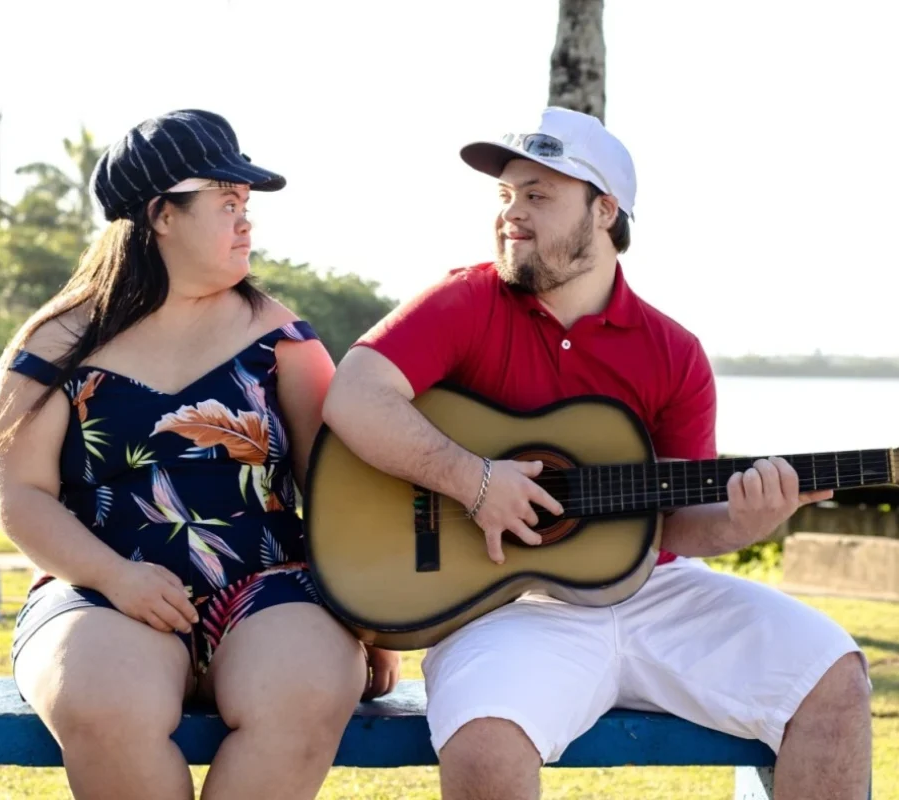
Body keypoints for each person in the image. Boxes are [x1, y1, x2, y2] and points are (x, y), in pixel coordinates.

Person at [321, 106, 872, 800]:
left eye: (539, 195)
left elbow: (673, 519)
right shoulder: (465, 301)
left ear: (605, 210)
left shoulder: (673, 352)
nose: (511, 214)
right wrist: (475, 480)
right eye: (506, 195)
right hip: (506, 604)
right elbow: (355, 395)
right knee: (487, 741)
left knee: (833, 676)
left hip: (655, 592)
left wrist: (745, 524)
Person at [0, 109, 399, 800]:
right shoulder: (58, 342)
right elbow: (19, 493)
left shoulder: (286, 341)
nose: (246, 221)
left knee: (304, 695)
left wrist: (371, 617)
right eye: (226, 203)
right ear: (161, 214)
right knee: (103, 704)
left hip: (270, 589)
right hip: (100, 588)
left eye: (246, 205)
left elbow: (335, 493)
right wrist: (114, 576)